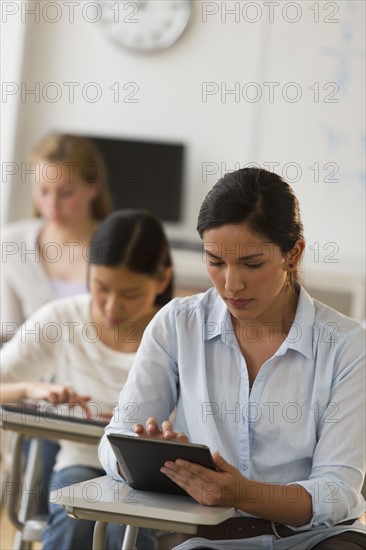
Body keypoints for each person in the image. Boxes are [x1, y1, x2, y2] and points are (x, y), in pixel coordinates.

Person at [99, 168, 366, 550]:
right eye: (215, 261)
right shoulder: (177, 325)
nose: (231, 283)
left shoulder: (346, 344)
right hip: (208, 541)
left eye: (252, 264)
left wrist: (243, 493)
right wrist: (151, 458)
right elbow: (113, 442)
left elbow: (337, 490)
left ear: (294, 254)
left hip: (316, 539)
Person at [1, 209, 174, 550]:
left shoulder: (176, 332)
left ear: (163, 279)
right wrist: (30, 389)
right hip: (80, 461)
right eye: (101, 287)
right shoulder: (61, 319)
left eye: (130, 294)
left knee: (125, 532)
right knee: (73, 518)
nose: (112, 306)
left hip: (153, 478)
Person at [1, 132, 112, 343]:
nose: (52, 204)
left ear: (94, 187)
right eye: (43, 191)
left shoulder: (120, 246)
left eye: (66, 192)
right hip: (28, 371)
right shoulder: (10, 244)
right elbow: (8, 332)